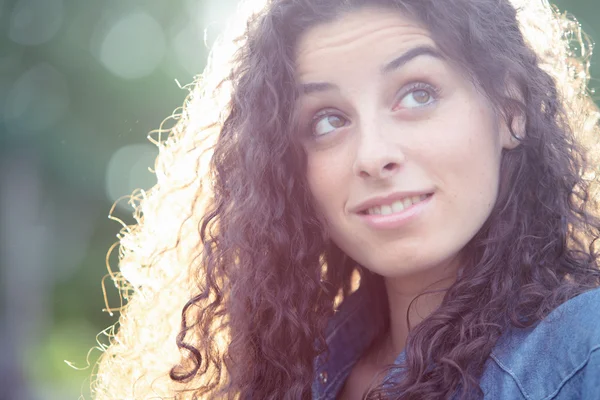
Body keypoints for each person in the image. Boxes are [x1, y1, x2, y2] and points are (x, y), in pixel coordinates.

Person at [92, 0, 600, 398]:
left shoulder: (584, 351)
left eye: (418, 92)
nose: (373, 155)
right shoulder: (294, 369)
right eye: (328, 119)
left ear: (511, 111)